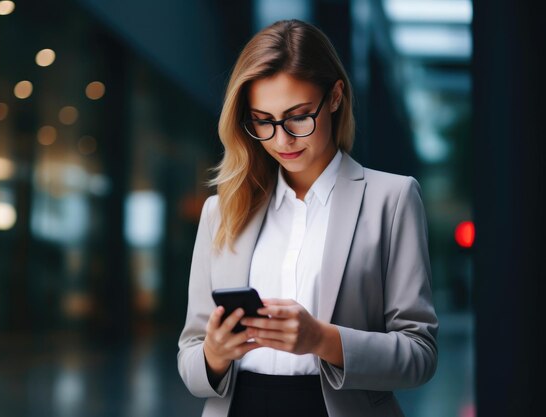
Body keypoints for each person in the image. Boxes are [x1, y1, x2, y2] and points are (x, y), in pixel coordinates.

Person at [178, 19, 438, 417]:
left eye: (298, 116)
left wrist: (322, 339)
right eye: (263, 121)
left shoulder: (393, 198)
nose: (281, 140)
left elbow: (420, 355)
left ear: (335, 96)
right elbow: (190, 359)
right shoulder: (221, 210)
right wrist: (214, 354)